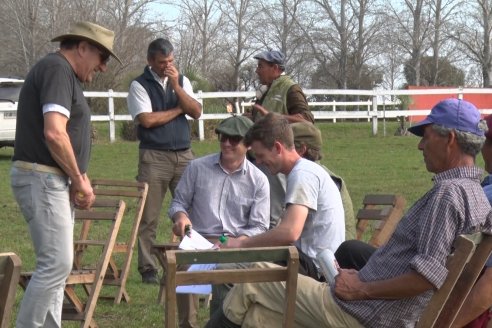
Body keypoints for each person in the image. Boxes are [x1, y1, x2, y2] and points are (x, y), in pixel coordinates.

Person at [205, 98, 492, 328]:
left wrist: (360, 290)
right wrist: (365, 277)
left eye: (426, 136)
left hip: (366, 314)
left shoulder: (447, 194)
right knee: (260, 318)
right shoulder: (476, 194)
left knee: (255, 279)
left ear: (450, 139)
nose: (419, 145)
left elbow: (427, 277)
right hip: (375, 308)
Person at [10, 21, 120, 328]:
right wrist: (79, 178)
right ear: (82, 47)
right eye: (102, 58)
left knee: (56, 268)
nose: (103, 68)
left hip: (50, 179)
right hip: (43, 179)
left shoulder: (62, 74)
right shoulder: (58, 70)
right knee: (56, 266)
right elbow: (55, 133)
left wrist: (73, 179)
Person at [168, 115, 270, 328]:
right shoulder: (197, 168)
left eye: (234, 139)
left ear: (248, 144)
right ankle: (188, 325)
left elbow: (260, 226)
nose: (226, 143)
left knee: (225, 270)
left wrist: (238, 242)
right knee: (184, 264)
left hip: (236, 246)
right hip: (198, 241)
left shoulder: (259, 180)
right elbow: (178, 203)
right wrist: (181, 218)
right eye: (223, 137)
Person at [127, 38, 202, 284]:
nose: (167, 66)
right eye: (162, 62)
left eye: (171, 61)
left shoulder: (181, 81)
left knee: (192, 211)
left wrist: (177, 87)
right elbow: (147, 120)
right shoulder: (139, 85)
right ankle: (148, 269)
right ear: (150, 61)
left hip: (184, 154)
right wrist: (179, 110)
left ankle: (191, 262)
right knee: (149, 215)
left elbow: (197, 111)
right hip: (154, 156)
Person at [451, 113, 492, 328]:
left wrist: (445, 324)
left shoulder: (484, 196)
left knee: (350, 251)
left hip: (445, 298)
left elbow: (489, 285)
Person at [290, 121, 355, 239]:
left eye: (289, 146)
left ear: (301, 150)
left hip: (337, 252)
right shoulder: (317, 172)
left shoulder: (310, 176)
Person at [250, 50, 314, 123]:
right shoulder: (265, 89)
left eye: (260, 66)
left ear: (274, 68)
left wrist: (273, 118)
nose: (257, 71)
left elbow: (307, 119)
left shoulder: (291, 89)